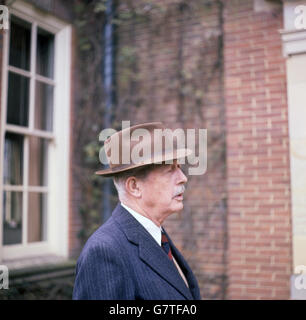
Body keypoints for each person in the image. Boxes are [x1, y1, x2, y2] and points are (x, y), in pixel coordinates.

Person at [73, 122, 201, 300]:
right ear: (134, 186)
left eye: (179, 167)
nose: (183, 178)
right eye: (169, 170)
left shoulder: (157, 237)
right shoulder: (104, 252)